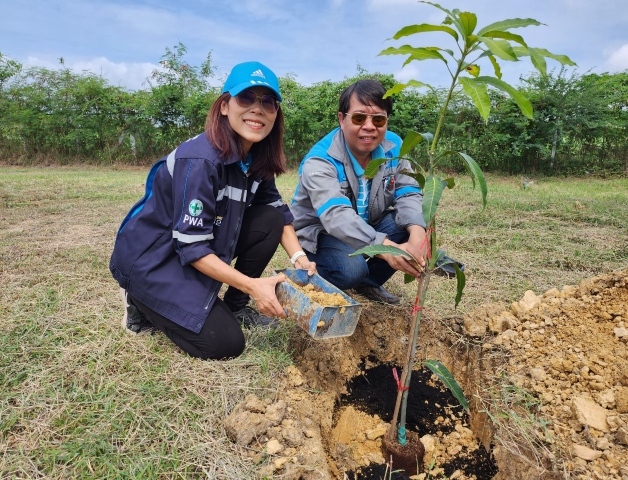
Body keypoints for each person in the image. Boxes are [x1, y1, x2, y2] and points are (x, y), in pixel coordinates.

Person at [110, 61, 315, 360]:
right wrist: (254, 286)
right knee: (225, 344)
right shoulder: (201, 161)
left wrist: (299, 259)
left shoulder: (255, 158)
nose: (257, 109)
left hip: (192, 246)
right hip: (156, 259)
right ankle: (140, 300)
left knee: (269, 219)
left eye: (268, 102)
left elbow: (277, 212)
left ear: (276, 114)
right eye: (246, 98)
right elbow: (192, 247)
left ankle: (235, 307)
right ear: (224, 106)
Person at [291, 79, 427, 305]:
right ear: (341, 119)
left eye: (378, 119)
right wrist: (386, 248)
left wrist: (417, 234)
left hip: (367, 224)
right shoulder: (320, 160)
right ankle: (314, 275)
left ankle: (368, 282)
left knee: (408, 222)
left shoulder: (394, 147)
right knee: (351, 270)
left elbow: (408, 190)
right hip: (321, 233)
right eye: (359, 118)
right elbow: (336, 216)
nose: (369, 126)